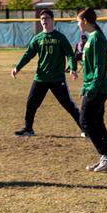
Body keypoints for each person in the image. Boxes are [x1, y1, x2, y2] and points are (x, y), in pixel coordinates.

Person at [11, 8, 81, 137]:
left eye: (47, 18)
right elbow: (28, 54)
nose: (44, 21)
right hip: (41, 78)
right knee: (31, 104)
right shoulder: (37, 38)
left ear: (52, 20)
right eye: (42, 19)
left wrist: (73, 69)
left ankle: (86, 129)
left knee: (68, 105)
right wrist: (18, 67)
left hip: (57, 79)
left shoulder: (59, 37)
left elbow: (70, 54)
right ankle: (28, 129)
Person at [77, 8, 107, 172]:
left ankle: (106, 155)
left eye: (78, 21)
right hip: (93, 86)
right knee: (97, 121)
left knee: (85, 121)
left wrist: (91, 88)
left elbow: (100, 68)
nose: (77, 24)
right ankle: (105, 158)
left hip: (98, 88)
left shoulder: (97, 39)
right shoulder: (91, 37)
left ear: (85, 21)